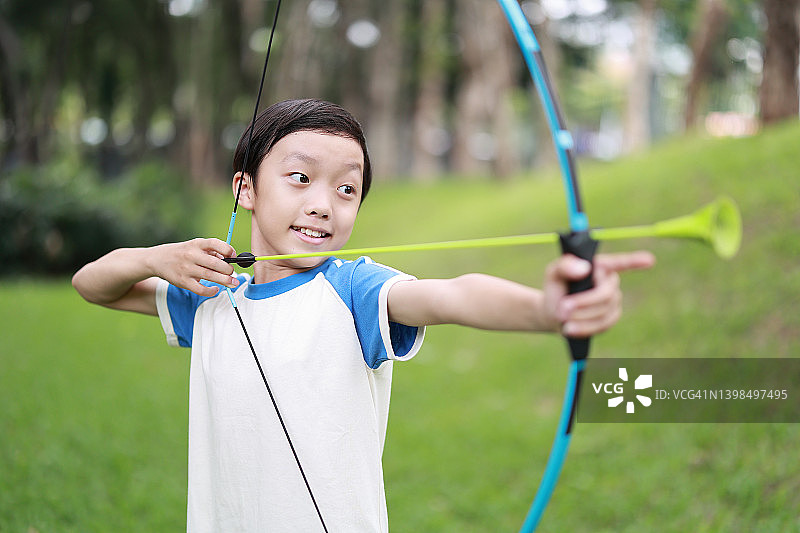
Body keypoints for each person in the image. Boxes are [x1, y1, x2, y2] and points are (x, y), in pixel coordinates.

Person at [72, 98, 654, 532]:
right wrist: (148, 257)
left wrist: (546, 309)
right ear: (246, 188)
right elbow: (93, 286)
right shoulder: (212, 296)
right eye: (300, 178)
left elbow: (449, 295)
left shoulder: (353, 289)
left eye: (347, 190)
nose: (323, 204)